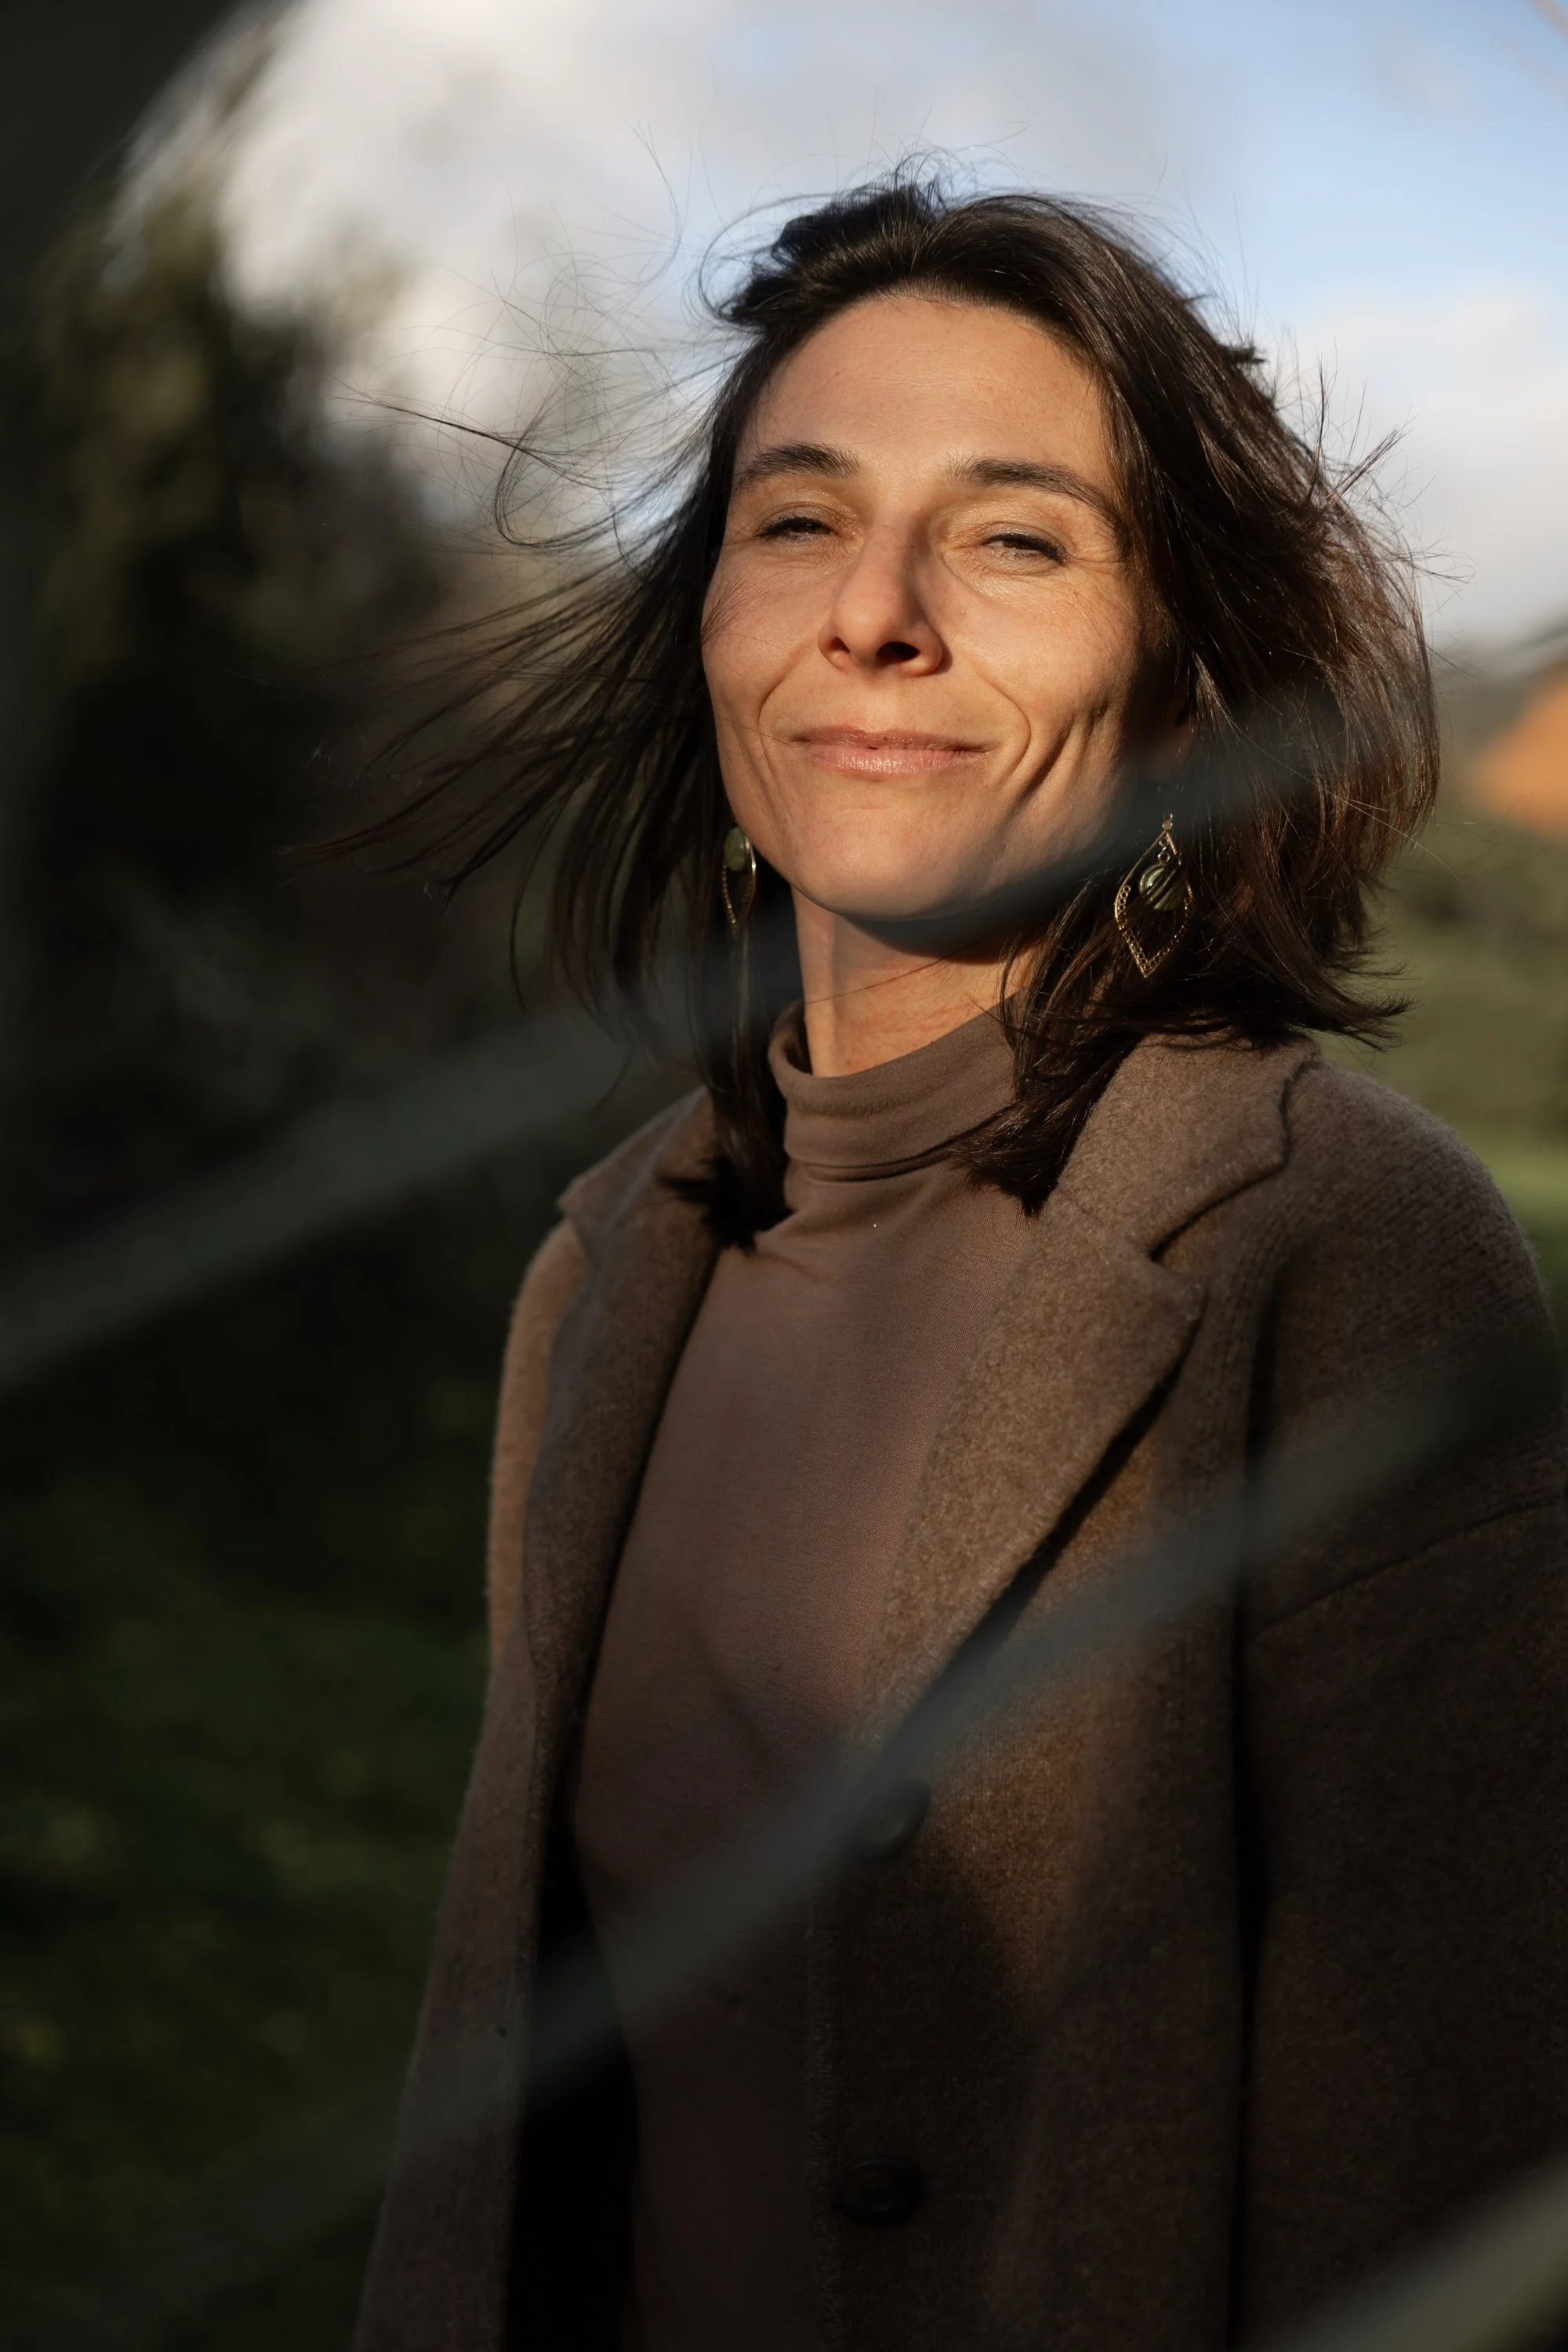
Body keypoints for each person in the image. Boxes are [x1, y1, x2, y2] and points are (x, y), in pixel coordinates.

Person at [352, 176, 1568, 2352]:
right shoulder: (607, 1269)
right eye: (798, 518)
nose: (878, 615)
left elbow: (1439, 2195)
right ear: (708, 616)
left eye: (1014, 537)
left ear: (1185, 680)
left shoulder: (1342, 1255)